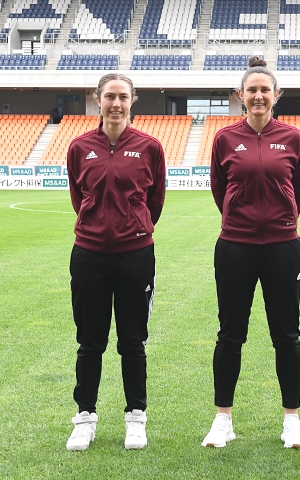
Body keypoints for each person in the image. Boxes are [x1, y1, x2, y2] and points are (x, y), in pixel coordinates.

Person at [203, 56, 300, 449]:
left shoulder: (294, 138)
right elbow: (220, 188)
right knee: (230, 334)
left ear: (276, 95)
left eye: (266, 90)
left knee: (287, 335)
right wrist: (239, 219)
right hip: (235, 246)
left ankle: (291, 421)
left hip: (283, 247)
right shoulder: (224, 139)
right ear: (241, 96)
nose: (259, 96)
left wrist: (281, 221)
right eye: (252, 90)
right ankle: (222, 419)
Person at [65, 73, 166, 451]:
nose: (116, 104)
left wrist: (132, 230)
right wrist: (98, 228)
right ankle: (85, 418)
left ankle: (135, 418)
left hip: (135, 255)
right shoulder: (79, 147)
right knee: (90, 341)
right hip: (89, 254)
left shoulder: (150, 147)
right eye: (110, 96)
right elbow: (80, 197)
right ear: (97, 99)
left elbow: (154, 201)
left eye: (123, 97)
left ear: (133, 100)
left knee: (132, 341)